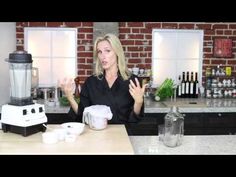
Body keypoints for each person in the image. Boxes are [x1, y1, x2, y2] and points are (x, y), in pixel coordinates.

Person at [61, 33, 147, 124]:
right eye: (100, 52)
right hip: (96, 135)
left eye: (107, 51)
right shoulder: (91, 82)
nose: (103, 56)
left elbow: (134, 120)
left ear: (117, 53)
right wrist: (70, 97)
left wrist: (138, 102)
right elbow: (82, 115)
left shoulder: (133, 81)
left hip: (123, 135)